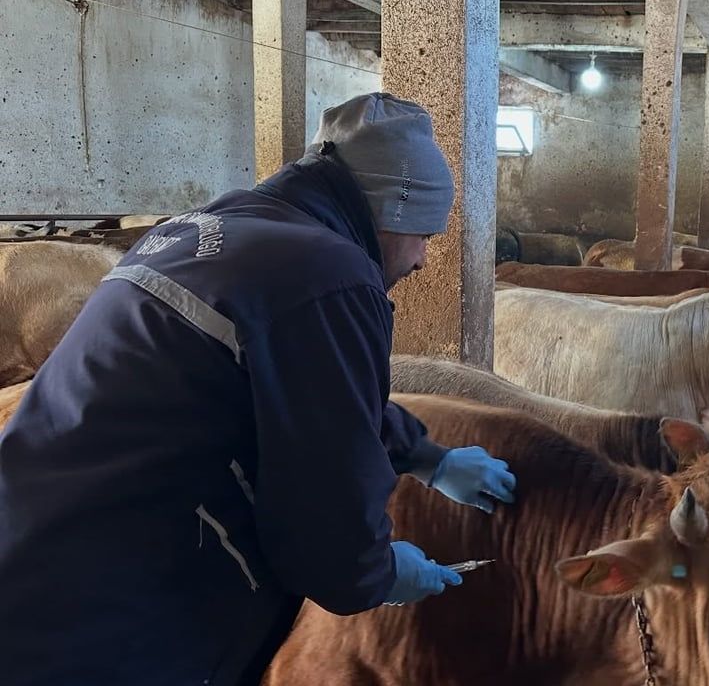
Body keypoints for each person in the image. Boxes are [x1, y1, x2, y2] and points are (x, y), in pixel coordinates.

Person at [0, 93, 516, 685]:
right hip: (114, 616)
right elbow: (326, 511)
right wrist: (378, 572)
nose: (424, 257)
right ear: (392, 208)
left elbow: (313, 397)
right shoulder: (328, 274)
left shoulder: (203, 230)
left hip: (35, 557)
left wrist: (430, 457)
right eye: (425, 232)